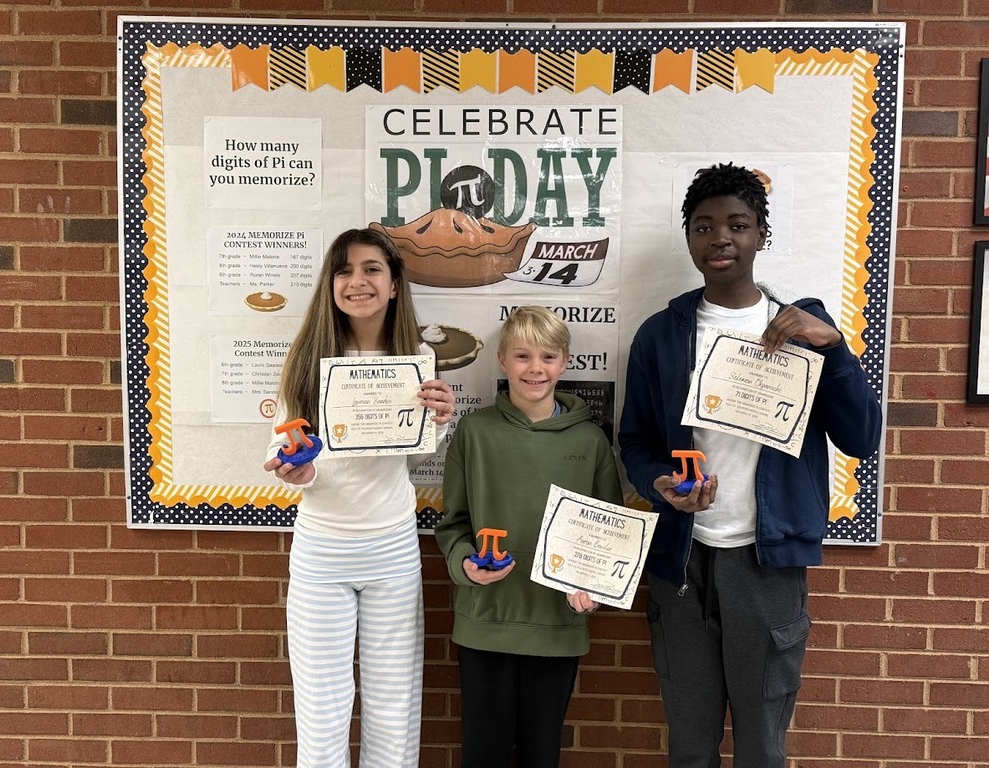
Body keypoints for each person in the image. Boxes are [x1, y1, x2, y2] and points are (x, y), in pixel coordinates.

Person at [618, 163, 883, 768]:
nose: (720, 238)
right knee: (690, 743)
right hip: (682, 558)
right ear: (689, 237)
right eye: (704, 226)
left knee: (762, 746)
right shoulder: (660, 335)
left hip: (767, 562)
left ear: (762, 234)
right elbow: (635, 442)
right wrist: (659, 484)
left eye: (738, 225)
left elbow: (861, 438)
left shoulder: (804, 330)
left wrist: (834, 347)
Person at [263, 228, 456, 768]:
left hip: (392, 549)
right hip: (322, 550)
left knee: (394, 708)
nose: (357, 281)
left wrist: (441, 418)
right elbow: (282, 449)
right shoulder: (307, 357)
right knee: (321, 710)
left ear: (394, 284)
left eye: (372, 269)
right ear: (331, 284)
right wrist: (296, 472)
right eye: (344, 270)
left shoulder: (416, 357)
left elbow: (417, 452)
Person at [435, 305, 624, 768]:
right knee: (484, 754)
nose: (535, 368)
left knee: (542, 753)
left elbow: (609, 535)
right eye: (522, 356)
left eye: (547, 357)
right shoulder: (474, 433)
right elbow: (454, 523)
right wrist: (465, 564)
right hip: (486, 619)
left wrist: (595, 589)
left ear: (565, 362)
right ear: (502, 360)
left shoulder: (591, 441)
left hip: (556, 623)